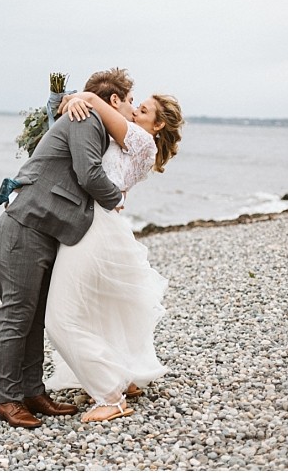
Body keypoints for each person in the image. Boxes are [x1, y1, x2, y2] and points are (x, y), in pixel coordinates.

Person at [0, 68, 133, 429]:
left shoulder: (85, 114)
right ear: (113, 99)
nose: (131, 108)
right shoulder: (86, 119)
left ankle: (33, 392)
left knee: (34, 317)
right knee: (17, 315)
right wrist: (116, 200)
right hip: (24, 228)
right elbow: (87, 174)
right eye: (130, 100)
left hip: (47, 230)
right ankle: (8, 399)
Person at [44, 88, 184, 422]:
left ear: (158, 126)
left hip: (96, 228)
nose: (135, 111)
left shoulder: (142, 141)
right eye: (137, 106)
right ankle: (124, 375)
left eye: (144, 110)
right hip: (102, 225)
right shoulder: (127, 142)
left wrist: (82, 97)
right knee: (99, 312)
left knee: (60, 318)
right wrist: (65, 99)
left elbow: (94, 101)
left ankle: (110, 396)